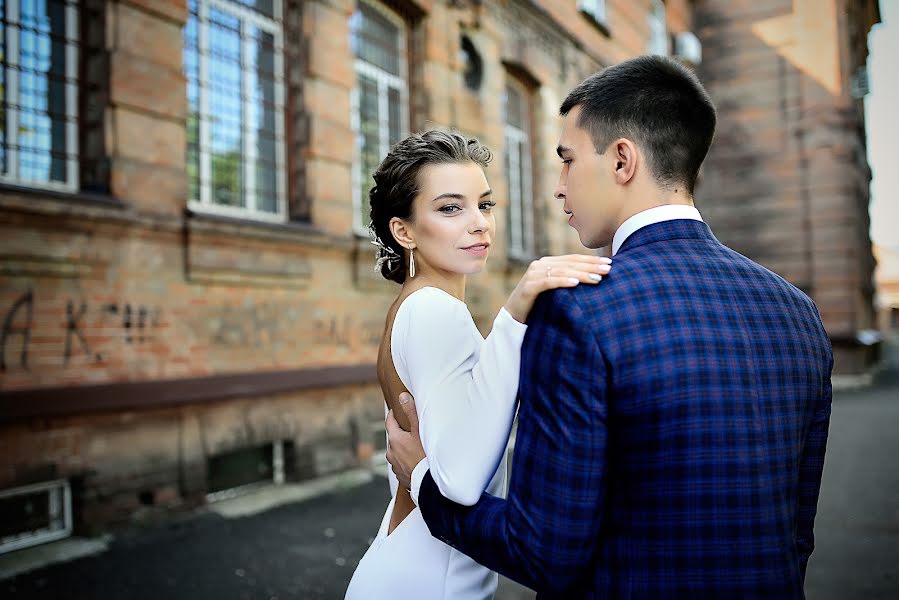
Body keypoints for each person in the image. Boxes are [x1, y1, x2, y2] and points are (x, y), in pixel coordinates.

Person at [386, 55, 834, 598]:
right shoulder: (798, 312)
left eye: (568, 161)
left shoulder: (579, 311)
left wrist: (424, 486)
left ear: (622, 160)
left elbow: (542, 551)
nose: (558, 187)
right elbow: (796, 534)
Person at [344, 130, 612, 599]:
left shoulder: (415, 305)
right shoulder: (434, 311)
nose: (479, 224)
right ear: (403, 230)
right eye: (451, 208)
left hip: (410, 566)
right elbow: (461, 481)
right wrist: (514, 315)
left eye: (484, 205)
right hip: (426, 584)